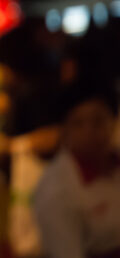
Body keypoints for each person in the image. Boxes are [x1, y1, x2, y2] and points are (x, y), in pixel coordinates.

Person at [33, 83, 120, 258]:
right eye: (78, 123)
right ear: (65, 131)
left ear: (113, 122)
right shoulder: (56, 191)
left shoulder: (114, 163)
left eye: (98, 120)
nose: (90, 132)